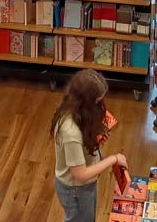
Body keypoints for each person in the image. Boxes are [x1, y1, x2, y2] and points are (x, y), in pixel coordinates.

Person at [51, 69, 127, 222]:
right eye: (98, 101)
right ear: (86, 101)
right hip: (76, 189)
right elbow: (80, 174)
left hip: (82, 187)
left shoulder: (75, 110)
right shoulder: (70, 131)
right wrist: (113, 159)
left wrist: (95, 140)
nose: (101, 105)